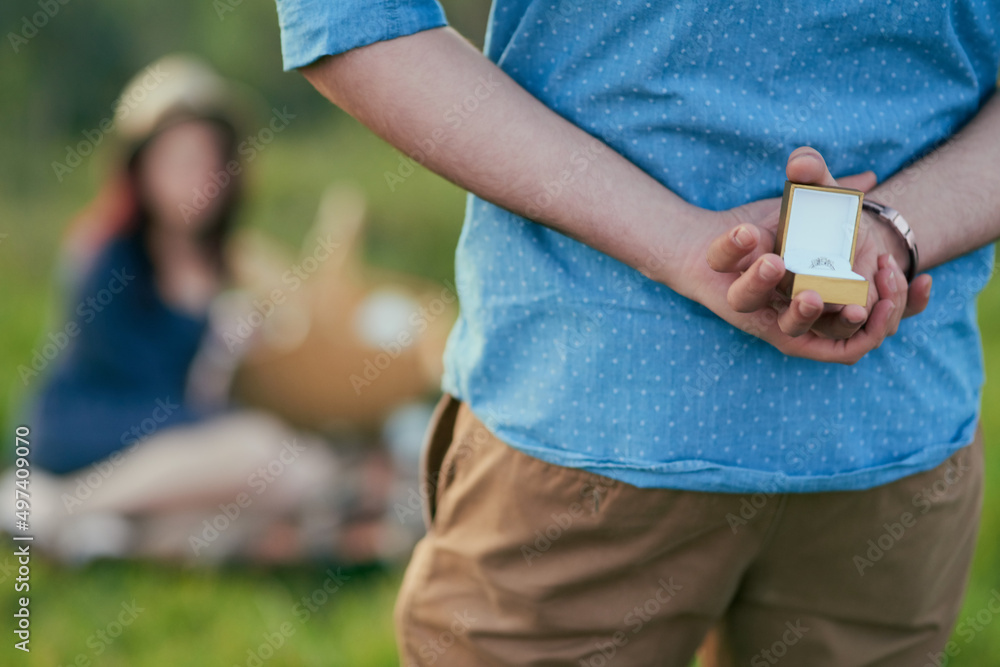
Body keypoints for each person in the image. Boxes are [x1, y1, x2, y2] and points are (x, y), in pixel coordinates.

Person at [274, 2, 998, 664]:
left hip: (591, 410)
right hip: (891, 419)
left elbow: (350, 22)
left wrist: (684, 243)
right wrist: (894, 234)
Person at [12, 55, 390, 565]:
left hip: (185, 437)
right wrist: (219, 395)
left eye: (209, 162)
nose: (197, 180)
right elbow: (137, 383)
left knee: (292, 472)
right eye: (178, 161)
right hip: (93, 428)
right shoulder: (105, 258)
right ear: (140, 170)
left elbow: (303, 318)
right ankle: (61, 510)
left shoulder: (233, 260)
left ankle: (108, 532)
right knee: (260, 453)